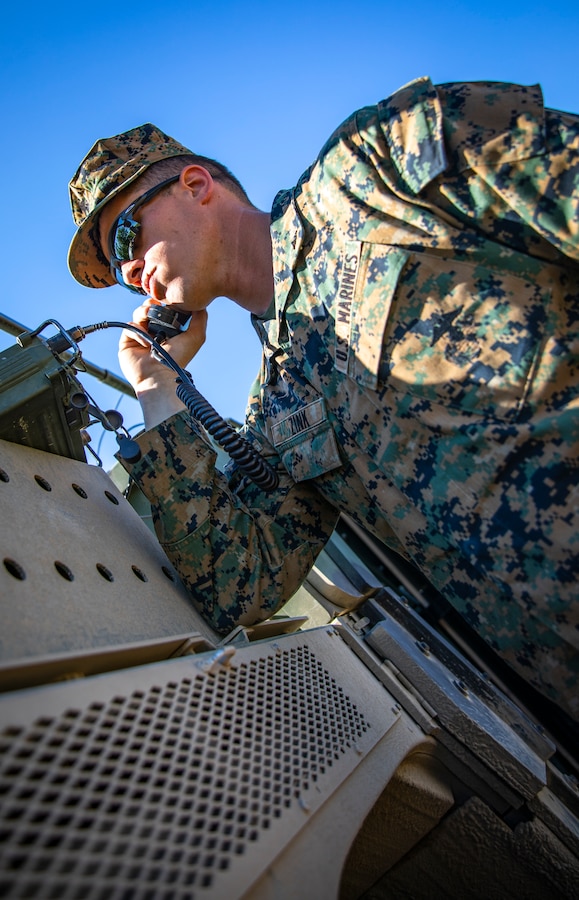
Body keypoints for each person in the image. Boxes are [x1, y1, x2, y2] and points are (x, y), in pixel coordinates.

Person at [67, 76, 579, 724]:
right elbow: (238, 587)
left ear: (194, 186)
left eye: (125, 239)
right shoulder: (282, 409)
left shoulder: (380, 163)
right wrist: (155, 391)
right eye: (117, 274)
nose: (130, 273)